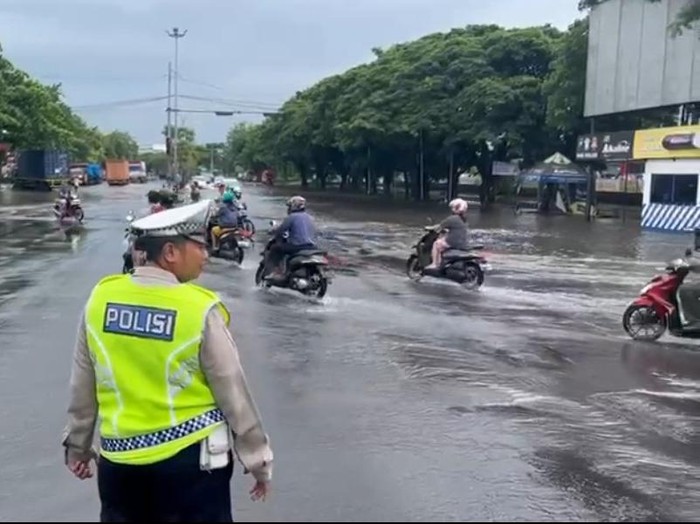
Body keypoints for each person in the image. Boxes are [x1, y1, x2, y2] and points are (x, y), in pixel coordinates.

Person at [61, 199, 273, 522]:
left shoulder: (100, 299)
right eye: (199, 246)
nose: (205, 254)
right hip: (191, 470)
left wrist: (77, 446)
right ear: (171, 252)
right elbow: (234, 395)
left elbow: (83, 387)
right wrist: (258, 461)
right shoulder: (199, 309)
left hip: (119, 467)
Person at [265, 195, 317, 278]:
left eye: (289, 206)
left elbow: (281, 230)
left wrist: (273, 233)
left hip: (297, 246)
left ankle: (273, 272)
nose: (288, 209)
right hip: (312, 246)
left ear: (293, 206)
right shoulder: (310, 218)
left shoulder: (292, 217)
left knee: (275, 249)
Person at [426, 198, 469, 270]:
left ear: (455, 208)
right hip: (463, 242)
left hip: (453, 242)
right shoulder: (463, 219)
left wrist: (429, 228)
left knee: (436, 244)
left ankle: (434, 264)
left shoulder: (452, 218)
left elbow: (440, 226)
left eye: (452, 207)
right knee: (442, 240)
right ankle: (441, 262)